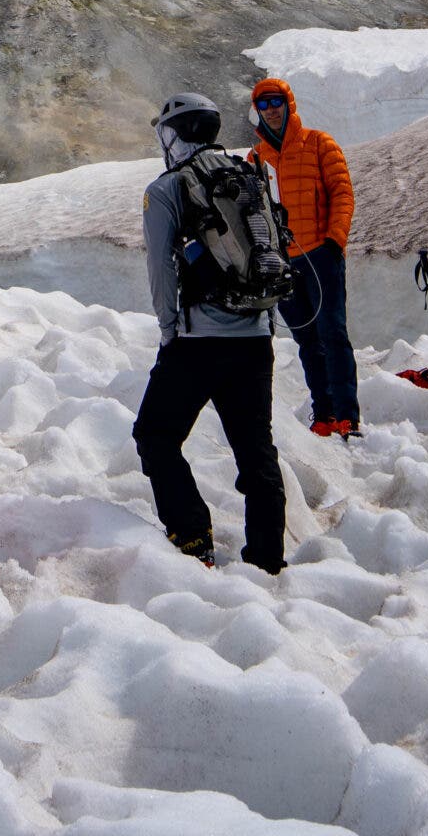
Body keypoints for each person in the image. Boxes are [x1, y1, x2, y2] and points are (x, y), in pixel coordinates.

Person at [133, 90, 286, 574]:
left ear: (175, 134)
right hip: (256, 337)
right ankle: (266, 559)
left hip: (198, 343)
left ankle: (192, 536)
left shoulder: (167, 189)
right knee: (255, 449)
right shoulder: (249, 176)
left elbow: (160, 269)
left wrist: (168, 331)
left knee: (156, 434)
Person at [247, 72, 360, 438]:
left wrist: (334, 241)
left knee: (333, 333)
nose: (271, 110)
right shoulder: (255, 158)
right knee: (307, 340)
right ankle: (324, 414)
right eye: (263, 104)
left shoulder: (318, 144)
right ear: (257, 111)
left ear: (288, 103)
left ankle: (347, 415)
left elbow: (342, 193)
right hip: (282, 264)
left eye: (276, 102)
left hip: (322, 255)